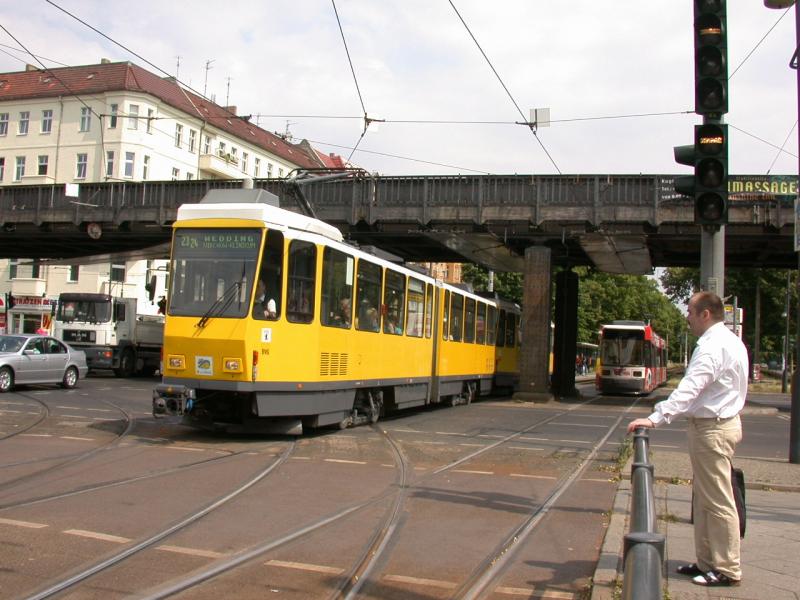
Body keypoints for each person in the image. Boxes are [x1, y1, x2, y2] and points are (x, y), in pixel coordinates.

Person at [626, 291, 748, 588]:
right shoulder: (729, 341)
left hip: (713, 429)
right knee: (707, 498)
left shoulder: (712, 347)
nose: (687, 316)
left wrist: (656, 417)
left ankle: (727, 568)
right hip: (716, 426)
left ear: (706, 314)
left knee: (718, 501)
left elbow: (690, 389)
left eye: (691, 311)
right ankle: (708, 562)